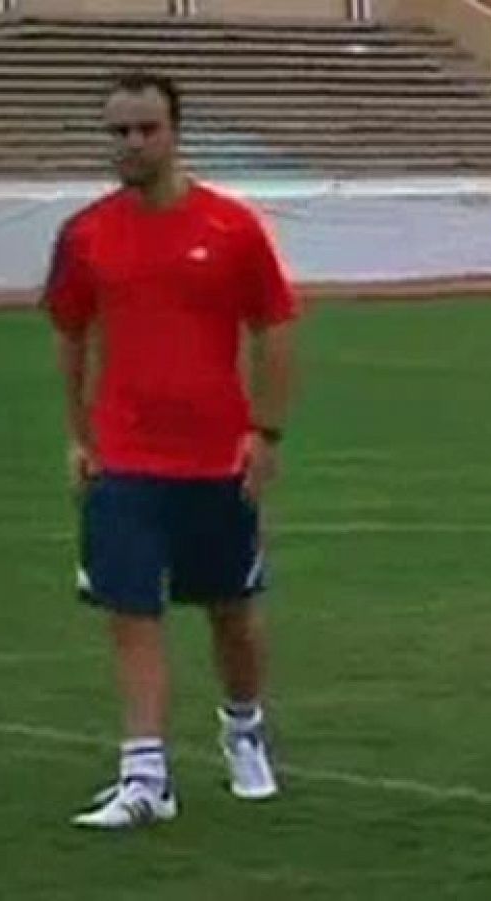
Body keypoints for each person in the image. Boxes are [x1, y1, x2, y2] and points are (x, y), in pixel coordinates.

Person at [42, 70, 299, 828]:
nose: (131, 143)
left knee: (232, 609)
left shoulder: (231, 227)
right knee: (130, 608)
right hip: (124, 457)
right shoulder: (86, 235)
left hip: (216, 456)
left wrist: (267, 430)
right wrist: (78, 435)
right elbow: (70, 332)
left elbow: (274, 325)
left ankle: (243, 725)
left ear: (174, 132)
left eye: (146, 129)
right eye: (118, 130)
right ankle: (145, 774)